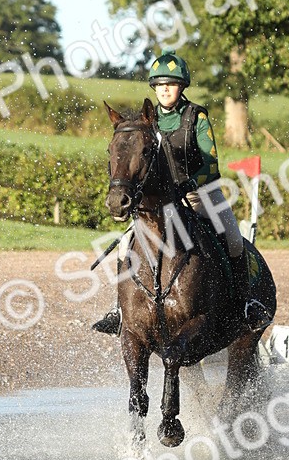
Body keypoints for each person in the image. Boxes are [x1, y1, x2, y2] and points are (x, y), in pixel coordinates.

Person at [92, 51, 269, 335]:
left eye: (170, 84)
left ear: (181, 87)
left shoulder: (196, 117)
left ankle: (245, 305)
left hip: (199, 192)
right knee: (126, 247)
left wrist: (187, 186)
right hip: (160, 201)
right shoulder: (146, 123)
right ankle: (120, 310)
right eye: (160, 85)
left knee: (234, 240)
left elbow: (211, 164)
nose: (164, 89)